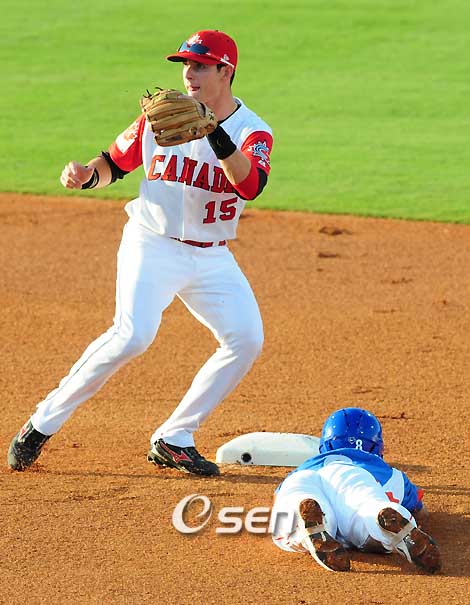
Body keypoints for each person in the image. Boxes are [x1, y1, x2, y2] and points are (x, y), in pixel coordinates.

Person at [7, 30, 273, 477]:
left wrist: (216, 135)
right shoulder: (160, 117)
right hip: (152, 243)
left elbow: (250, 184)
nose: (188, 74)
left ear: (225, 71)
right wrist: (86, 176)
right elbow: (113, 163)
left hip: (211, 256)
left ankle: (175, 437)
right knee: (133, 335)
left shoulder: (253, 130)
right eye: (185, 65)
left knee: (246, 339)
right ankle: (41, 423)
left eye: (199, 65)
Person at [271, 407, 441, 573]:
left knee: (291, 507)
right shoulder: (393, 475)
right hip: (355, 477)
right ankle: (380, 516)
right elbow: (421, 513)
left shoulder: (303, 467)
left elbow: (278, 498)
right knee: (369, 507)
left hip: (303, 478)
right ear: (377, 446)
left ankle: (304, 521)